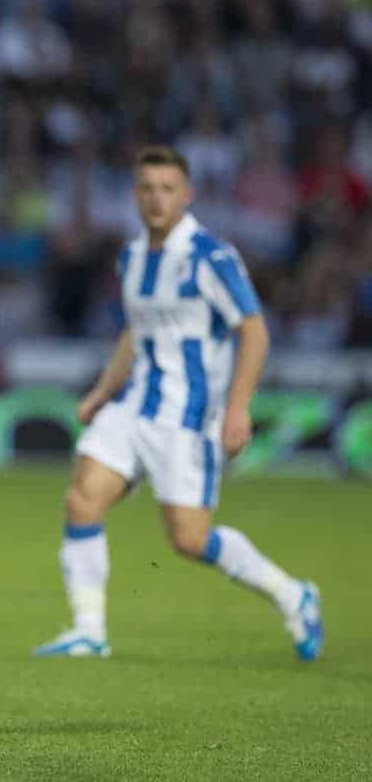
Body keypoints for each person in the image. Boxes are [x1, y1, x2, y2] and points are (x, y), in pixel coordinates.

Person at [33, 146, 323, 661]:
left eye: (167, 189)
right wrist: (103, 392)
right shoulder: (132, 255)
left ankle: (293, 594)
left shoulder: (210, 256)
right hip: (134, 405)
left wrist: (238, 408)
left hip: (188, 418)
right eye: (146, 188)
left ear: (187, 195)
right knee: (82, 499)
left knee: (189, 539)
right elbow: (133, 332)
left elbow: (253, 331)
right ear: (134, 195)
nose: (156, 199)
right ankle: (89, 630)